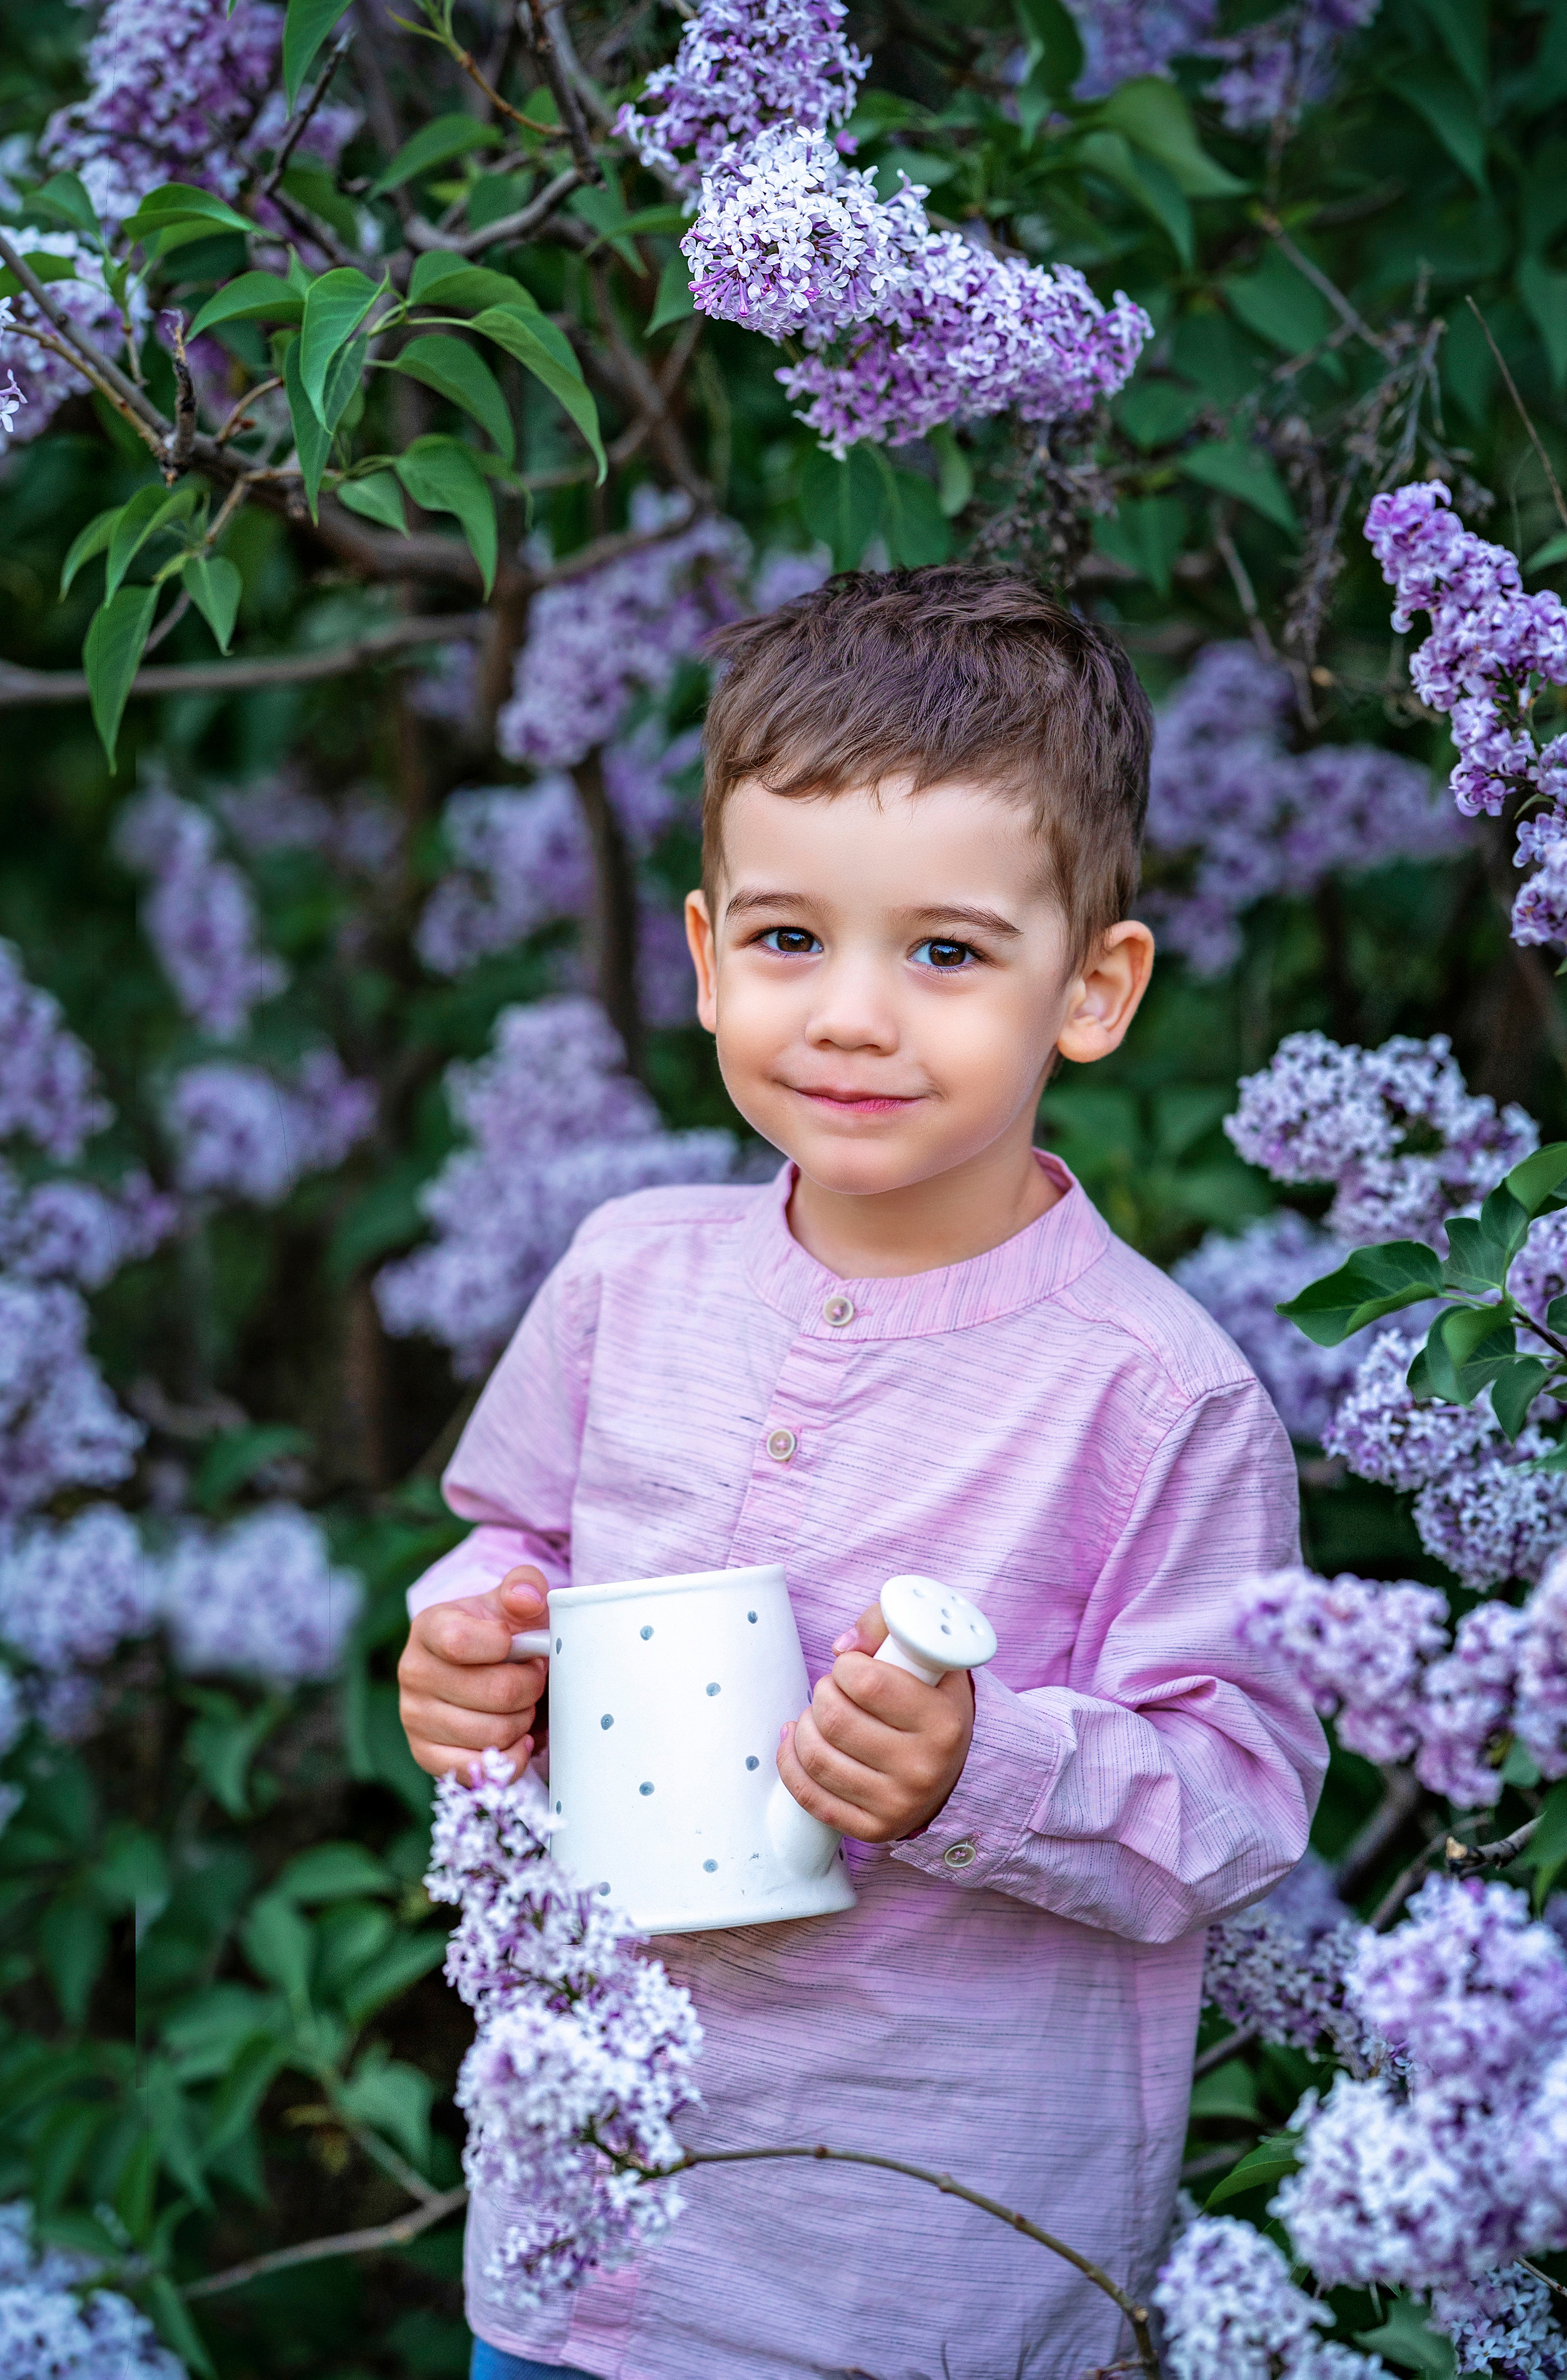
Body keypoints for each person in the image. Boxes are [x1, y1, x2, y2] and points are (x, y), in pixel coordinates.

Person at [398, 566, 1327, 2380]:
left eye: (946, 952)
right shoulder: (626, 1274)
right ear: (701, 955)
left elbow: (1242, 1785)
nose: (849, 1014)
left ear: (1094, 987)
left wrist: (983, 1767)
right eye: (788, 939)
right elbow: (505, 1540)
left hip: (916, 2282)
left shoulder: (1154, 1395)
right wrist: (471, 1656)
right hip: (583, 2246)